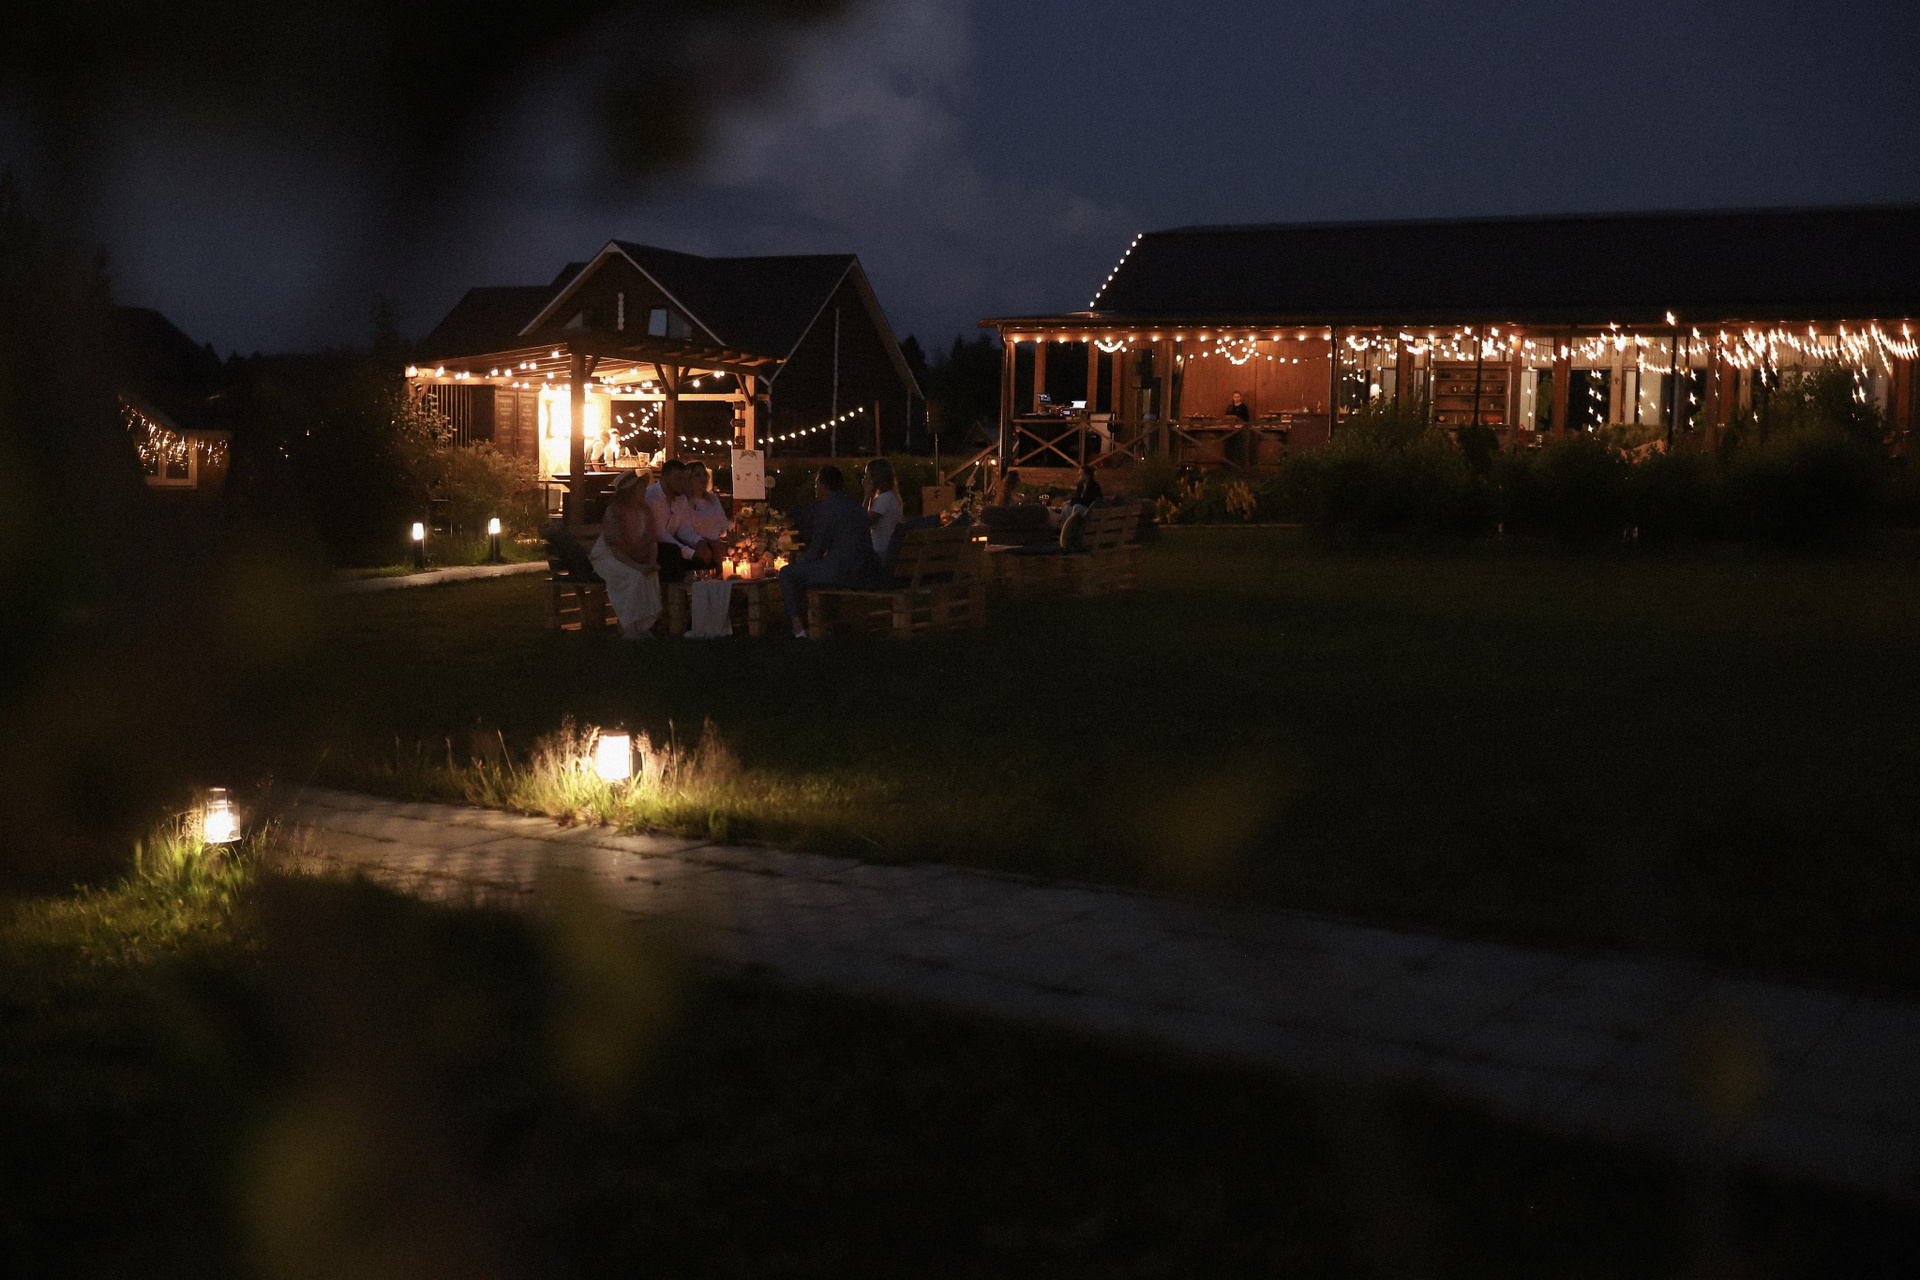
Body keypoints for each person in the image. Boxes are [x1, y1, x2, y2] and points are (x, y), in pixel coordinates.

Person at [781, 465, 884, 637]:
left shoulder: (826, 509)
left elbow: (816, 551)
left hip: (841, 572)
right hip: (863, 570)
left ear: (824, 486)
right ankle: (826, 621)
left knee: (787, 573)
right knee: (817, 568)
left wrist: (801, 558)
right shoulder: (855, 507)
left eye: (816, 483)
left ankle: (798, 629)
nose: (815, 487)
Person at [589, 471, 660, 640]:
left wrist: (651, 563)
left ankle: (643, 625)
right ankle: (629, 626)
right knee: (634, 577)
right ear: (630, 491)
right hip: (607, 558)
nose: (644, 491)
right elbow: (615, 548)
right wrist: (637, 567)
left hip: (634, 558)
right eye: (640, 488)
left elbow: (652, 541)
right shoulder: (615, 512)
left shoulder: (646, 511)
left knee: (650, 577)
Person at [644, 458, 700, 581]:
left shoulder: (681, 499)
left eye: (684, 479)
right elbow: (660, 535)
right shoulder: (651, 499)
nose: (682, 483)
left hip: (672, 545)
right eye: (678, 479)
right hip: (653, 548)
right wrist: (689, 553)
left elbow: (684, 528)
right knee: (672, 552)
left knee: (705, 550)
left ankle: (705, 587)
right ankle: (673, 590)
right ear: (664, 478)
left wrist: (699, 542)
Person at [676, 461, 732, 566]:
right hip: (697, 546)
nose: (703, 479)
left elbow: (723, 523)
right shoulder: (683, 501)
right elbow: (683, 529)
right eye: (698, 475)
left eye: (704, 475)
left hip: (718, 543)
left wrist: (730, 536)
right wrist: (701, 542)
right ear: (689, 479)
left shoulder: (713, 500)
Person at [862, 457, 902, 558]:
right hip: (885, 551)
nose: (864, 480)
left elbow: (862, 522)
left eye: (866, 476)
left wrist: (867, 496)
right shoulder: (891, 496)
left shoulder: (885, 498)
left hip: (880, 554)